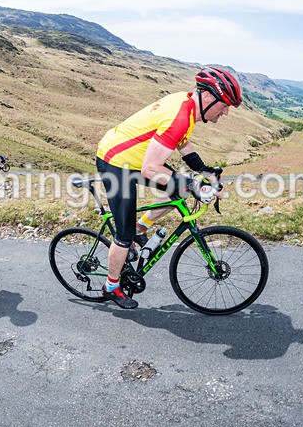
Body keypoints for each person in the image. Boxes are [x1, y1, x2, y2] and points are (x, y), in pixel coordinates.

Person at [95, 66, 241, 309]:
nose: (225, 112)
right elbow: (151, 169)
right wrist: (195, 185)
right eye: (224, 105)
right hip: (115, 162)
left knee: (180, 190)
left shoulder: (187, 105)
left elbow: (184, 146)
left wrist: (205, 171)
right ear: (207, 97)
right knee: (123, 235)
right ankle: (111, 286)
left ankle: (141, 229)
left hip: (135, 160)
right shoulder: (181, 115)